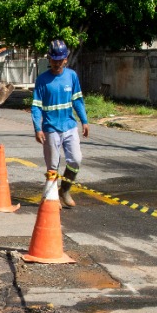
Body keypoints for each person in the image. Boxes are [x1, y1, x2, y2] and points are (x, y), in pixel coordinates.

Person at [30, 38, 90, 207]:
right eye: (53, 60)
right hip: (50, 129)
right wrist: (37, 128)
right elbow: (36, 107)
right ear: (49, 59)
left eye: (59, 60)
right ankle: (51, 198)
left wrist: (84, 121)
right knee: (52, 166)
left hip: (69, 126)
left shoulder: (72, 76)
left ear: (65, 59)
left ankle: (64, 190)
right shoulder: (42, 80)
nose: (56, 63)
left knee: (76, 160)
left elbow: (78, 100)